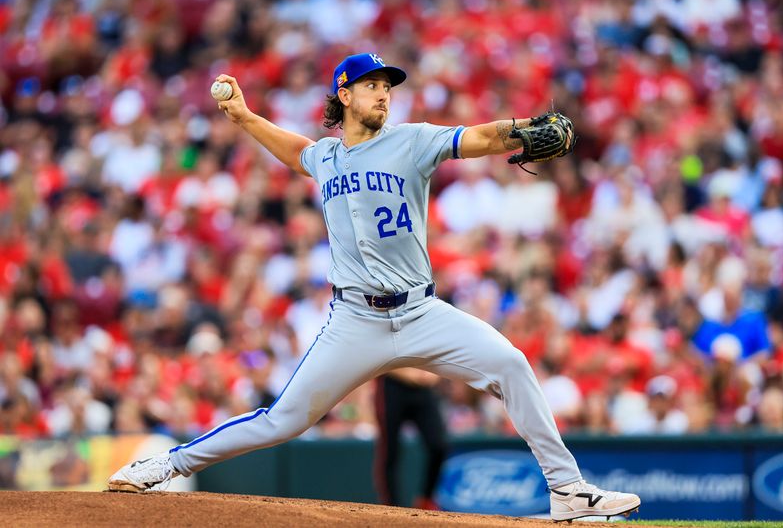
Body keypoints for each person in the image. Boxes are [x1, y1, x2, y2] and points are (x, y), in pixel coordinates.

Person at [107, 53, 641, 522]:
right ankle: (166, 463)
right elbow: (297, 152)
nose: (384, 93)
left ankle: (568, 490)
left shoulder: (412, 141)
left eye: (388, 86)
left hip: (421, 312)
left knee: (511, 364)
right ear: (345, 93)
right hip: (355, 321)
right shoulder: (326, 156)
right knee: (283, 420)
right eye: (372, 85)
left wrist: (522, 128)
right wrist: (245, 117)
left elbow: (480, 136)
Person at [373, 368, 446, 510]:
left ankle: (426, 499)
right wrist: (409, 374)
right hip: (392, 386)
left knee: (438, 446)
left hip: (423, 388)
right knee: (390, 451)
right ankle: (391, 506)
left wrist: (432, 374)